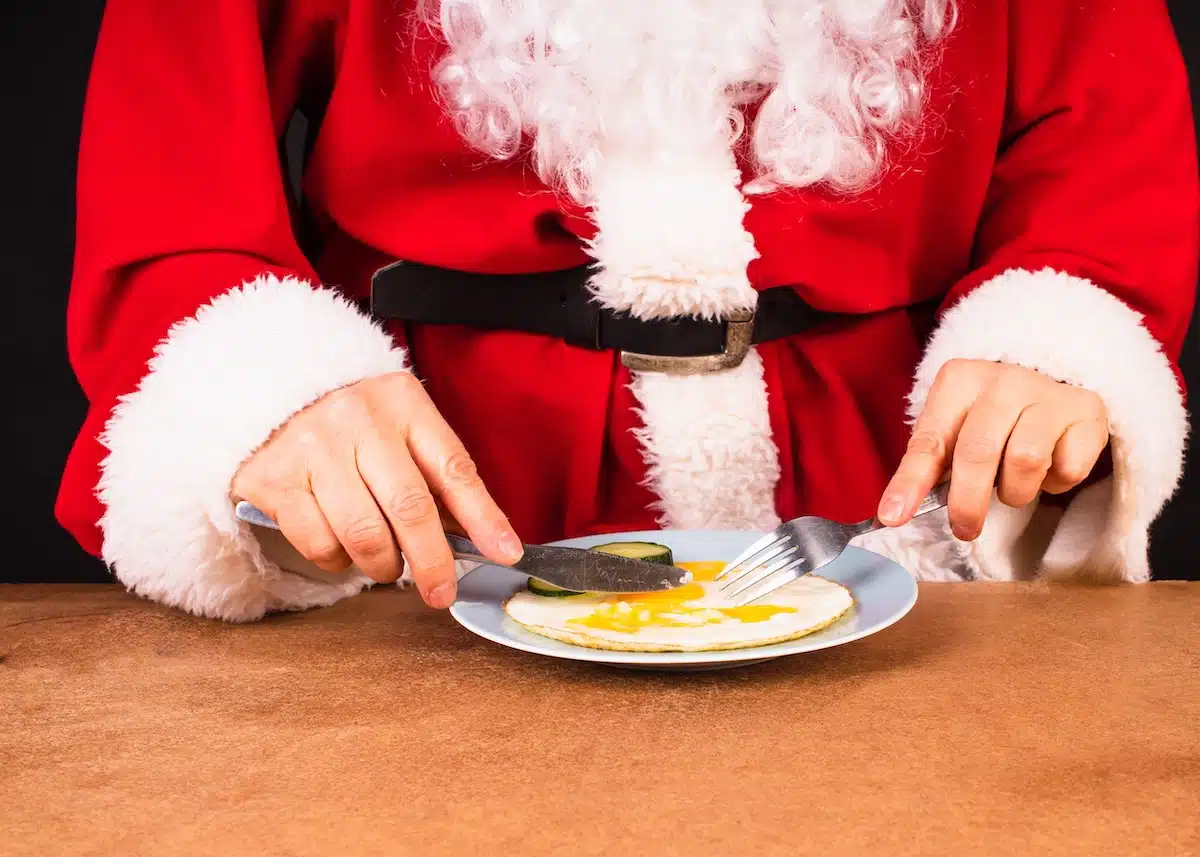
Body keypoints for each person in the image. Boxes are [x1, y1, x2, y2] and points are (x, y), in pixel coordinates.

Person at [58, 0, 1197, 621]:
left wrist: (1061, 333)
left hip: (894, 524)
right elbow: (170, 183)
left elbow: (1102, 145)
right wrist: (267, 393)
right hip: (433, 545)